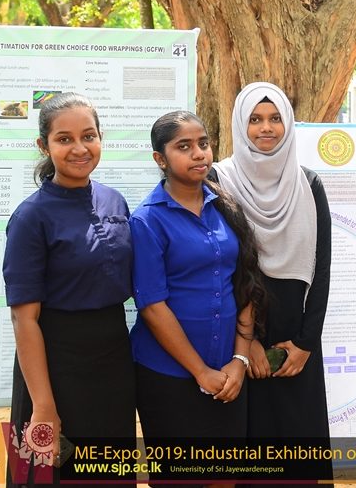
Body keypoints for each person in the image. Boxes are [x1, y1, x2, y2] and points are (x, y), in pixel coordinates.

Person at [3, 93, 135, 487]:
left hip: (113, 358)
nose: (80, 148)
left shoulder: (115, 200)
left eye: (88, 136)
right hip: (55, 361)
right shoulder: (31, 217)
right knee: (47, 473)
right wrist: (43, 405)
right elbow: (23, 319)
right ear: (44, 146)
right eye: (64, 139)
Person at [130, 112, 264, 476]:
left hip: (229, 371)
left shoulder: (226, 206)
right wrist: (201, 372)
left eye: (203, 144)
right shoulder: (147, 220)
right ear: (160, 159)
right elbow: (152, 306)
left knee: (227, 474)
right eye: (184, 147)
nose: (199, 153)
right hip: (168, 376)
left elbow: (245, 282)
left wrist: (239, 359)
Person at [213, 83, 333, 484]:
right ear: (240, 124)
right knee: (252, 451)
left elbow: (321, 269)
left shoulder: (309, 184)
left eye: (275, 118)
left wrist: (305, 343)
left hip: (295, 337)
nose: (266, 128)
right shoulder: (219, 181)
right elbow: (221, 268)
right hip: (239, 333)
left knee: (299, 451)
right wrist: (245, 344)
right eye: (255, 119)